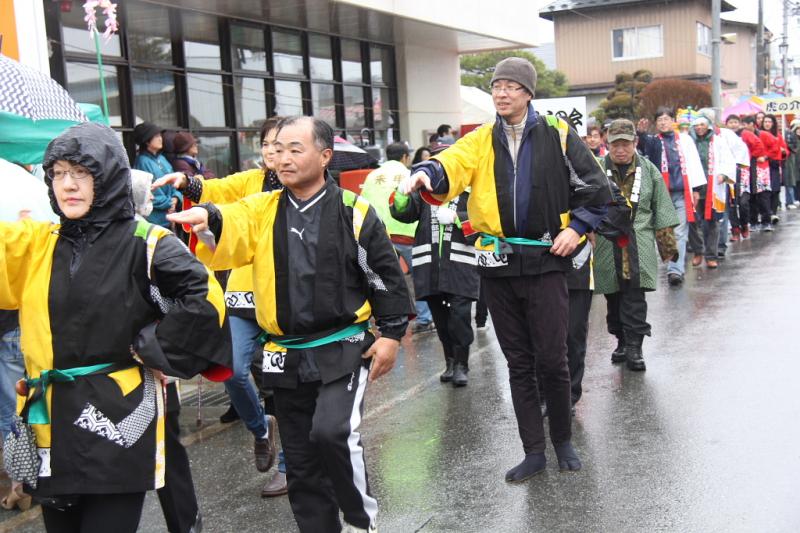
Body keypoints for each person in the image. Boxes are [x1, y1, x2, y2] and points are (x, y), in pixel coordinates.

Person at [169, 116, 414, 533]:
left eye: (294, 149)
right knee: (300, 458)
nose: (282, 158)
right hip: (284, 354)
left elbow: (383, 276)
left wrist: (390, 334)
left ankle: (360, 522)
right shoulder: (262, 208)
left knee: (333, 433)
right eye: (277, 149)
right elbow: (231, 220)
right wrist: (206, 219)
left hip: (342, 346)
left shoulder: (353, 211)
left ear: (325, 156)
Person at [0, 122, 231, 533]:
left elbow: (206, 301)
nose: (67, 185)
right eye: (58, 174)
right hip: (49, 417)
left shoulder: (148, 241)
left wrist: (156, 346)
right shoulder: (36, 242)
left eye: (82, 173)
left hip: (117, 414)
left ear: (106, 177)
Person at [400, 57, 612, 481]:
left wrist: (578, 230)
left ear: (528, 93)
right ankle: (533, 451)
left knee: (553, 359)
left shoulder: (557, 134)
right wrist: (424, 173)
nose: (501, 92)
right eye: (497, 85)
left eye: (511, 86)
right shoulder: (480, 139)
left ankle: (563, 441)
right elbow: (451, 163)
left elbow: (596, 190)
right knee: (518, 361)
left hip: (548, 261)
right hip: (497, 265)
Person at [152, 118, 284, 498]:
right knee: (234, 371)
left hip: (287, 301)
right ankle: (261, 430)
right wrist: (186, 182)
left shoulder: (308, 193)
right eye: (268, 145)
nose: (274, 153)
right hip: (243, 296)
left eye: (284, 146)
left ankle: (290, 467)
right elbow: (215, 189)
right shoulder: (249, 182)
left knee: (284, 385)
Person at [130, 169, 202, 533]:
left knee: (167, 452)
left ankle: (186, 523)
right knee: (166, 453)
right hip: (132, 372)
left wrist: (161, 351)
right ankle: (186, 522)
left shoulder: (149, 240)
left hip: (152, 371)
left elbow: (188, 301)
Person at [389, 145, 479, 387]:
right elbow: (403, 213)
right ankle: (449, 361)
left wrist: (459, 220)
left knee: (459, 317)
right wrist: (402, 192)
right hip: (429, 267)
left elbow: (484, 224)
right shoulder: (425, 192)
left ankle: (462, 364)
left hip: (460, 267)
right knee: (440, 318)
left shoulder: (470, 192)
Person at [594, 119, 679, 371]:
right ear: (607, 144)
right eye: (615, 144)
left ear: (635, 143)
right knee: (613, 296)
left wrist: (668, 249)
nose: (620, 149)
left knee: (634, 296)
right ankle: (620, 339)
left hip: (638, 242)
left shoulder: (649, 170)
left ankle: (634, 346)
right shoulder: (597, 168)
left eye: (626, 144)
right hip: (606, 243)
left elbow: (661, 209)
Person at [360, 142, 434, 335]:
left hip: (379, 236)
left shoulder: (371, 176)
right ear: (405, 157)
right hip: (407, 233)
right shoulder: (410, 175)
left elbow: (363, 204)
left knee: (383, 279)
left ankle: (388, 318)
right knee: (420, 277)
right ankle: (424, 318)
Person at [637, 107, 705, 286]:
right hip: (661, 194)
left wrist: (696, 189)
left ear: (673, 120)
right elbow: (643, 148)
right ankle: (667, 264)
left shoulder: (684, 140)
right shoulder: (653, 142)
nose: (663, 122)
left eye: (666, 119)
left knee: (679, 233)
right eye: (659, 120)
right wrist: (641, 134)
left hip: (682, 192)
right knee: (663, 231)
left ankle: (675, 270)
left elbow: (694, 164)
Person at [687, 114, 736, 268]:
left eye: (702, 124)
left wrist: (724, 174)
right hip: (694, 186)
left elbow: (728, 160)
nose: (699, 128)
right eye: (697, 125)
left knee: (712, 222)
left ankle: (711, 255)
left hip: (712, 187)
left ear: (708, 125)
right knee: (692, 221)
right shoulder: (689, 142)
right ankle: (697, 251)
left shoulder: (718, 142)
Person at [133, 122, 182, 229]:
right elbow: (148, 194)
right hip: (155, 221)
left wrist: (176, 198)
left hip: (169, 217)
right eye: (156, 136)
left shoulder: (162, 159)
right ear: (146, 141)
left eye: (160, 135)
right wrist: (170, 203)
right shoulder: (142, 162)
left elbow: (175, 182)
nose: (160, 139)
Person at [723, 114, 753, 242]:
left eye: (736, 122)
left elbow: (756, 147)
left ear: (739, 124)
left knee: (743, 203)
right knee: (731, 203)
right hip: (729, 173)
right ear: (726, 124)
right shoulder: (722, 137)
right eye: (731, 122)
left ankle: (745, 224)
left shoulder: (745, 135)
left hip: (743, 172)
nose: (733, 125)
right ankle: (735, 229)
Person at [743, 115, 774, 231]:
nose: (744, 127)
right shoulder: (743, 136)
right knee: (751, 196)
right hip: (748, 168)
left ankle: (767, 222)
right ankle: (754, 222)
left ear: (752, 124)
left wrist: (765, 157)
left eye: (746, 125)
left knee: (764, 196)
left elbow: (775, 147)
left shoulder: (763, 134)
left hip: (761, 169)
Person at [761, 114, 787, 222]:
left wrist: (783, 151)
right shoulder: (759, 134)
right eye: (765, 121)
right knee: (765, 191)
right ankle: (767, 213)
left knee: (775, 190)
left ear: (773, 123)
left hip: (775, 165)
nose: (767, 124)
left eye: (769, 122)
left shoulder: (778, 135)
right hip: (763, 165)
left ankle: (773, 213)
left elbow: (785, 150)